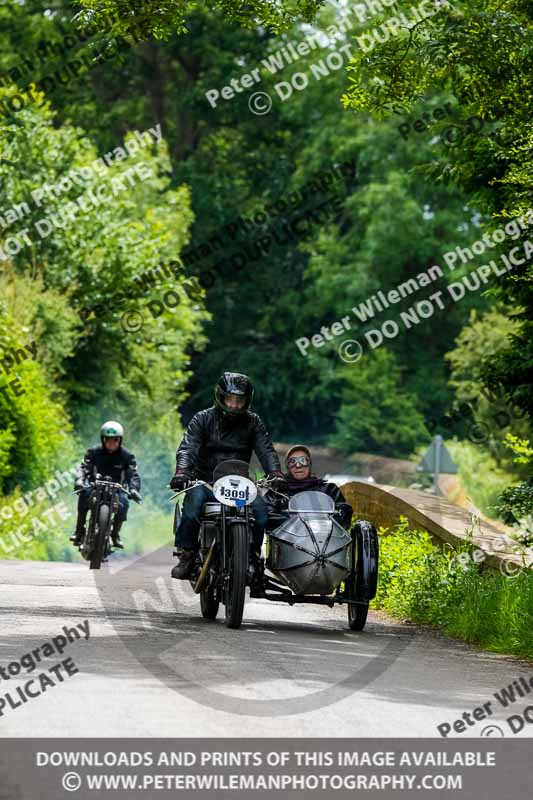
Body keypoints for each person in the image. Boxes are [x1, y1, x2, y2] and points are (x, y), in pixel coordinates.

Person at [170, 372, 286, 579]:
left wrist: (275, 473)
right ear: (220, 397)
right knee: (193, 506)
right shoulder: (202, 419)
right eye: (230, 399)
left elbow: (266, 451)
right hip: (205, 481)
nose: (233, 405)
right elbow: (188, 449)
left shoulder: (254, 422)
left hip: (240, 484)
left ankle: (251, 555)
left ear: (246, 402)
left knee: (261, 513)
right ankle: (187, 554)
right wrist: (182, 472)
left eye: (239, 401)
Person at [70, 421, 141, 549]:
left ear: (120, 440)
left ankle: (115, 534)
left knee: (124, 503)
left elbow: (133, 474)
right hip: (95, 485)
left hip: (117, 488)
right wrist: (79, 481)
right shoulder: (93, 452)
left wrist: (134, 489)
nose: (111, 443)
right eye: (108, 440)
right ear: (103, 439)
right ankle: (79, 531)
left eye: (115, 440)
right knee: (84, 496)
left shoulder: (127, 456)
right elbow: (84, 467)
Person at [280, 445, 353, 529]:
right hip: (288, 539)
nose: (298, 465)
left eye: (303, 460)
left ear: (310, 464)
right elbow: (271, 517)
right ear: (287, 466)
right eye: (292, 461)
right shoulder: (279, 491)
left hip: (324, 536)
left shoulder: (329, 489)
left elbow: (343, 516)